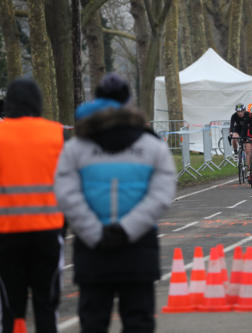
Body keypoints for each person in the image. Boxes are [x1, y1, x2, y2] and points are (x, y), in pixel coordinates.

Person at [54, 73, 176, 333]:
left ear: (97, 101)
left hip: (92, 248)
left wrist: (94, 232)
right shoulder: (152, 145)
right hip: (139, 246)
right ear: (129, 102)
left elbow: (66, 194)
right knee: (138, 321)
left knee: (93, 321)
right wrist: (127, 229)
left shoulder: (76, 147)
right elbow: (162, 194)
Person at [0, 78, 65, 333]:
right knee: (46, 303)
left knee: (9, 307)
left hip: (6, 233)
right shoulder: (57, 133)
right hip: (48, 231)